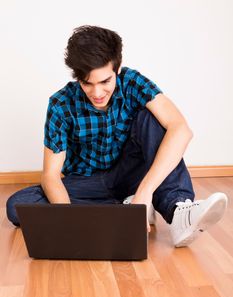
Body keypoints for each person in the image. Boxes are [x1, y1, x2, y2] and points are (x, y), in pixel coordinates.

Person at [6, 25, 227, 247]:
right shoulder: (61, 104)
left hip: (132, 173)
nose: (97, 93)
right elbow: (51, 176)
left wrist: (145, 192)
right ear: (77, 78)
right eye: (87, 84)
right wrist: (69, 219)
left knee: (151, 119)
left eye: (105, 81)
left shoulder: (132, 82)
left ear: (117, 69)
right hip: (88, 183)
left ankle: (177, 210)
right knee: (18, 205)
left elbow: (181, 129)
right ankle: (124, 208)